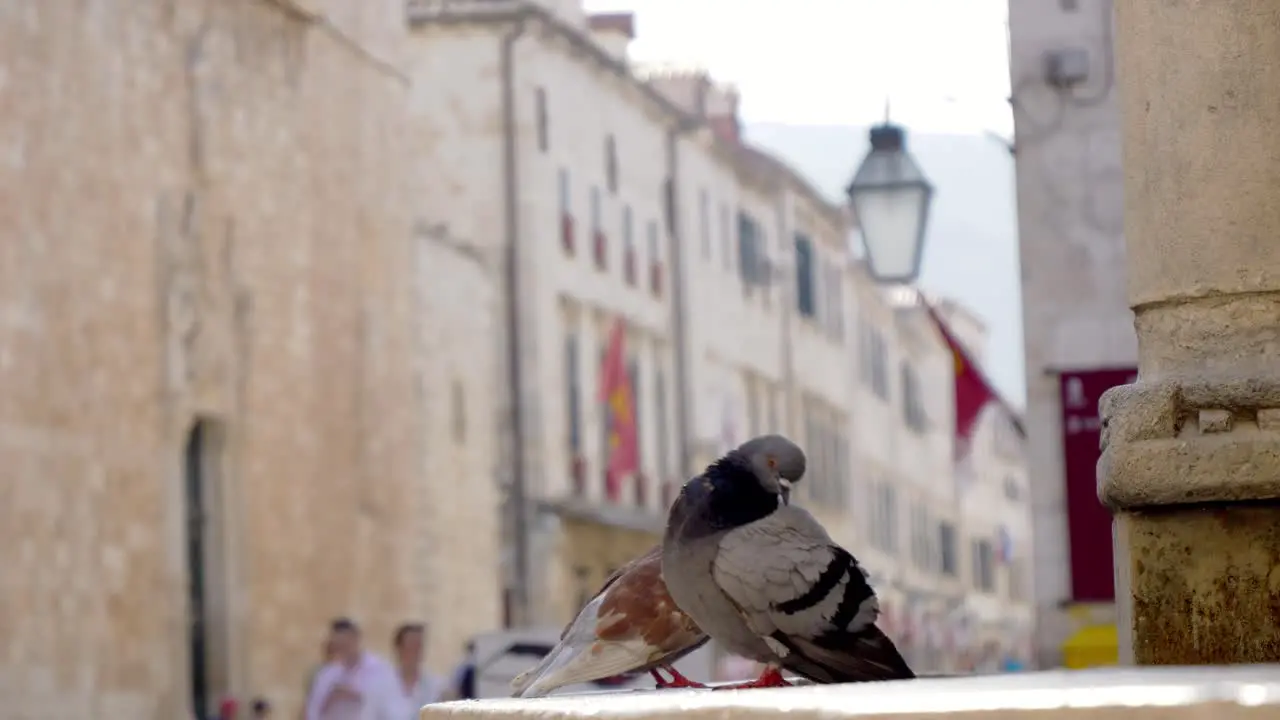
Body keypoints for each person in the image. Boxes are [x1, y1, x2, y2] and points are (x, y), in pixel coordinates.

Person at [304, 617, 401, 720]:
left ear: (357, 639)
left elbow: (391, 705)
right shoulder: (327, 674)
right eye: (339, 645)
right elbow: (313, 711)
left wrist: (354, 694)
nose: (344, 649)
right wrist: (330, 699)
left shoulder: (380, 669)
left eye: (346, 644)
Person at [391, 623, 448, 716]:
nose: (415, 652)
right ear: (399, 648)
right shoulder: (380, 686)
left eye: (418, 646)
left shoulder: (437, 687)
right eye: (410, 646)